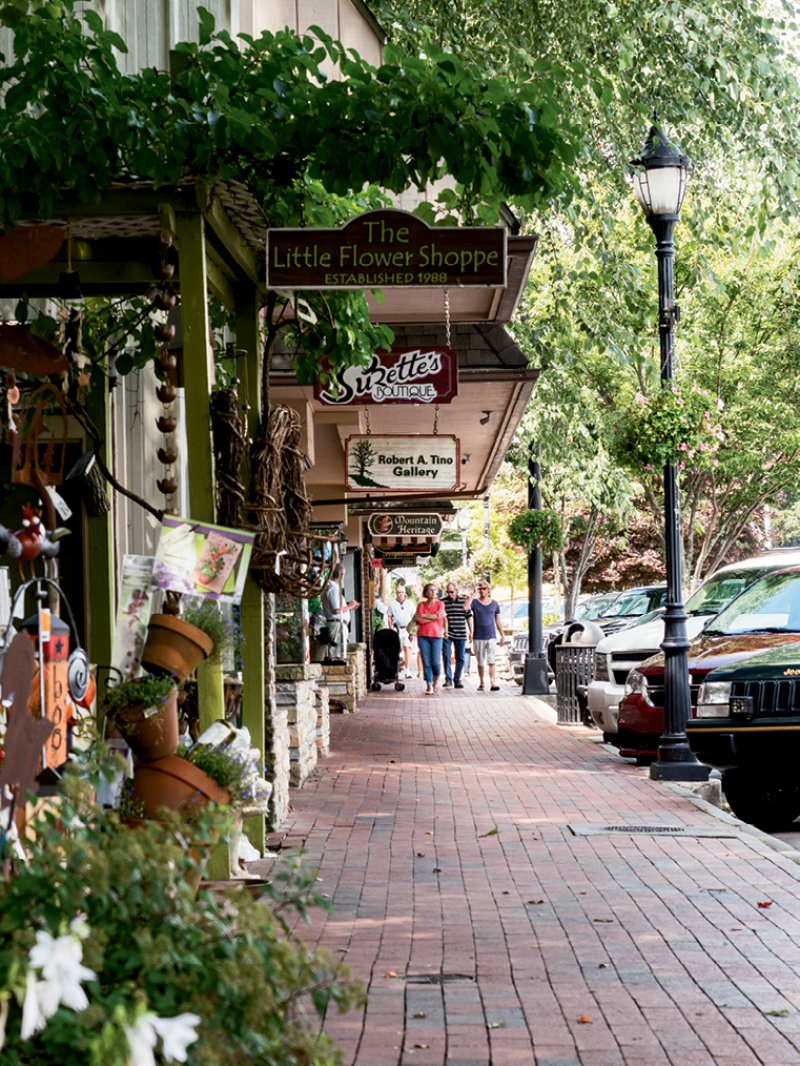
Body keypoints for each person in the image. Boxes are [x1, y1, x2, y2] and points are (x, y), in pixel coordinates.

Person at [464, 580, 504, 691]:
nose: (482, 590)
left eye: (484, 588)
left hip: (491, 636)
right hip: (478, 636)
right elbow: (466, 608)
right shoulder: (475, 602)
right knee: (480, 662)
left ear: (488, 590)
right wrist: (473, 594)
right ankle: (481, 683)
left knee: (491, 661)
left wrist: (502, 635)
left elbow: (498, 619)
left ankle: (492, 683)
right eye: (480, 588)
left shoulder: (494, 603)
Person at [414, 582, 447, 695]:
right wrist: (433, 617)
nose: (433, 592)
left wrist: (423, 616)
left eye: (435, 590)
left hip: (437, 636)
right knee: (426, 661)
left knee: (436, 662)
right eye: (431, 590)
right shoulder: (421, 605)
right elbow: (419, 621)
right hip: (422, 636)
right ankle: (429, 684)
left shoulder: (440, 604)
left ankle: (436, 678)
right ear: (426, 592)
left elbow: (440, 616)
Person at [321, 563, 359, 653]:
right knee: (336, 657)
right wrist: (349, 606)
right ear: (342, 575)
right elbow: (336, 610)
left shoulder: (332, 587)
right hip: (337, 626)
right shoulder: (333, 588)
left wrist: (348, 607)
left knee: (338, 655)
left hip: (337, 625)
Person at [441, 582, 473, 688]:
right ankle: (448, 679)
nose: (449, 594)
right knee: (446, 655)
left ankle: (457, 679)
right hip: (447, 634)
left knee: (460, 657)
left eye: (451, 592)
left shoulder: (464, 602)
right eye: (448, 592)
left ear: (456, 591)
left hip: (461, 633)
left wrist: (471, 631)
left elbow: (468, 617)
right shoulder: (443, 602)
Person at [386, 583, 416, 679]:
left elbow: (413, 617)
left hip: (407, 628)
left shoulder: (410, 603)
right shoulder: (392, 604)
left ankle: (407, 670)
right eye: (398, 592)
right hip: (396, 629)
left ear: (405, 593)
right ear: (396, 593)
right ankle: (396, 669)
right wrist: (391, 629)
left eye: (402, 592)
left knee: (407, 648)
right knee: (396, 650)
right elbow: (389, 617)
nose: (400, 594)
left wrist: (412, 632)